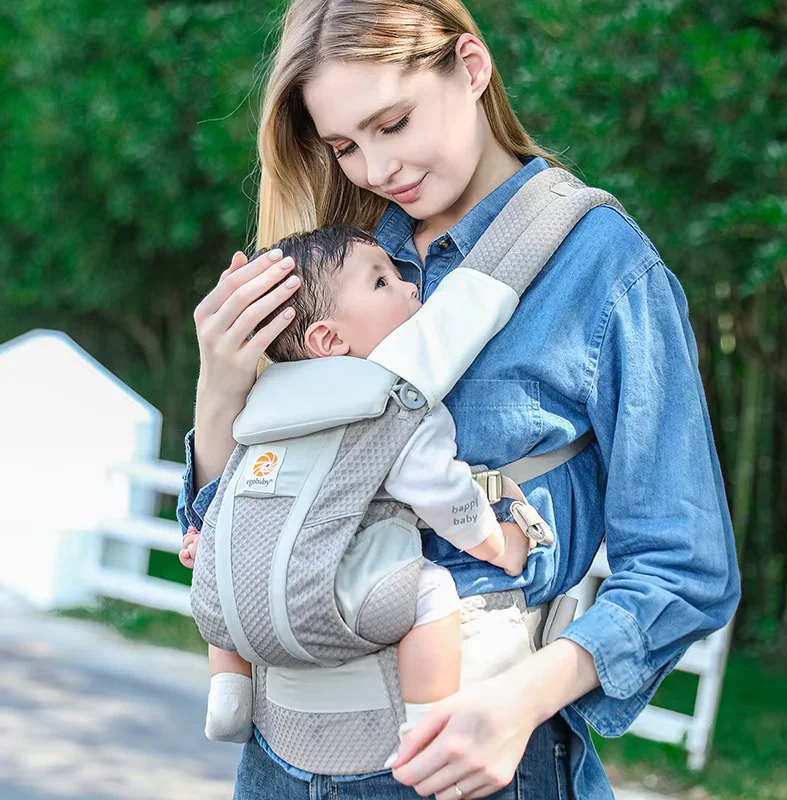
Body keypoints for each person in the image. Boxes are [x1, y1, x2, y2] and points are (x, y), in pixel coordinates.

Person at [177, 1, 740, 797]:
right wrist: (218, 394)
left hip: (471, 762)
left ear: (471, 69)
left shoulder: (600, 266)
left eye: (394, 122)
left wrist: (519, 703)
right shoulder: (337, 257)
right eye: (344, 145)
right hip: (277, 760)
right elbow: (233, 528)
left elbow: (686, 568)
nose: (375, 169)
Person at [199, 223, 534, 746]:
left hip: (228, 606)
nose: (410, 287)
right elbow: (442, 491)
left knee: (233, 569)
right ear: (330, 339)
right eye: (382, 283)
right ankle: (427, 724)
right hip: (331, 597)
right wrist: (498, 544)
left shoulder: (264, 397)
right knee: (433, 593)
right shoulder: (391, 401)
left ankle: (228, 693)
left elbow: (237, 487)